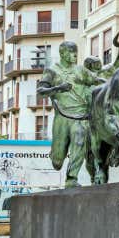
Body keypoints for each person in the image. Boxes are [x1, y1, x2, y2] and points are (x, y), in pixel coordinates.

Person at [37, 41, 103, 187]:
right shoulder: (52, 71)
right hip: (62, 118)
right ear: (62, 53)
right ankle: (56, 155)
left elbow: (98, 80)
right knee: (57, 162)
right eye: (71, 52)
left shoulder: (81, 70)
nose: (75, 54)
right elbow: (40, 92)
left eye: (76, 51)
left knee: (79, 142)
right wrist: (59, 88)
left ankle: (71, 179)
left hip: (81, 117)